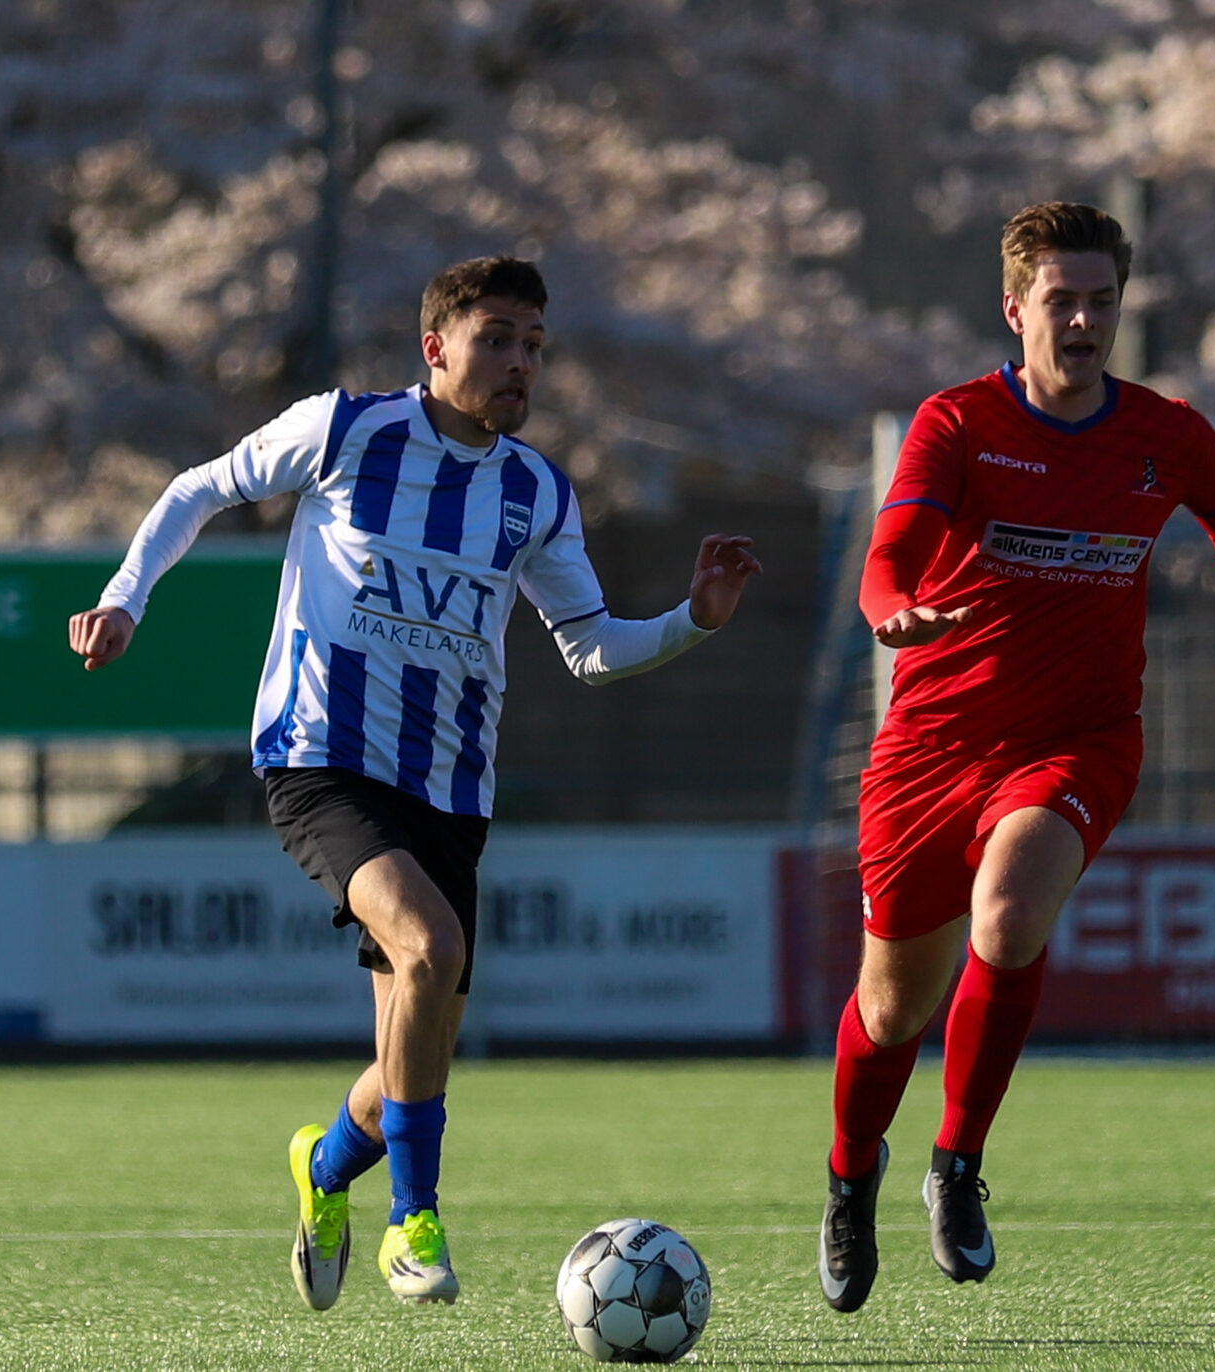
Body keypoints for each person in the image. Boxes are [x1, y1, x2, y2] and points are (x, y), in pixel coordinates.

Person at [67, 255, 761, 1310]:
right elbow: (198, 487)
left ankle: (323, 1168)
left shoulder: (534, 491)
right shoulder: (346, 431)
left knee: (412, 1046)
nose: (519, 361)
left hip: (449, 788)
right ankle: (413, 1221)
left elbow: (586, 646)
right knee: (429, 948)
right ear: (435, 348)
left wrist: (691, 622)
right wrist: (126, 598)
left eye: (533, 343)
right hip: (321, 760)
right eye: (496, 338)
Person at [816, 200, 1215, 1313]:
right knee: (887, 1013)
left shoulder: (1165, 436)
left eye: (1099, 301)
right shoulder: (957, 424)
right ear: (1013, 310)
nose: (1080, 321)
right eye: (1059, 300)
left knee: (1009, 915)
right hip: (929, 749)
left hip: (1077, 742)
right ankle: (849, 1173)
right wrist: (891, 611)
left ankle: (955, 1166)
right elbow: (889, 554)